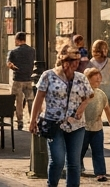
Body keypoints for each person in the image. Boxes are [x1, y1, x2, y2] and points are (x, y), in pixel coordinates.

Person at [30, 48, 94, 187]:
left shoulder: (81, 77)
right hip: (54, 123)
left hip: (76, 125)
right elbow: (39, 98)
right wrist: (33, 120)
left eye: (77, 60)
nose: (75, 63)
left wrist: (83, 106)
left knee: (74, 163)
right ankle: (51, 184)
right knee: (57, 160)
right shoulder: (48, 76)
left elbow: (89, 95)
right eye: (72, 60)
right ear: (62, 60)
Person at [86, 40, 110, 141]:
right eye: (103, 49)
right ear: (97, 50)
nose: (106, 51)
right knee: (96, 112)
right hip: (96, 89)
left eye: (106, 49)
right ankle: (92, 135)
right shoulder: (90, 63)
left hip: (107, 88)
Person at [81, 67, 110, 182]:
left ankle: (100, 173)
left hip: (97, 128)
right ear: (87, 79)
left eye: (99, 78)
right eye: (95, 78)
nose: (99, 80)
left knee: (98, 151)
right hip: (83, 128)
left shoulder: (101, 94)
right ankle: (77, 167)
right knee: (80, 150)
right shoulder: (81, 93)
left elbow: (108, 112)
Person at [8, 32, 38, 122]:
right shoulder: (32, 51)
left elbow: (9, 64)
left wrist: (14, 68)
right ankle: (32, 117)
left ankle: (19, 119)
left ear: (17, 40)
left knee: (18, 100)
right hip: (28, 79)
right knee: (30, 99)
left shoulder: (13, 52)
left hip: (17, 79)